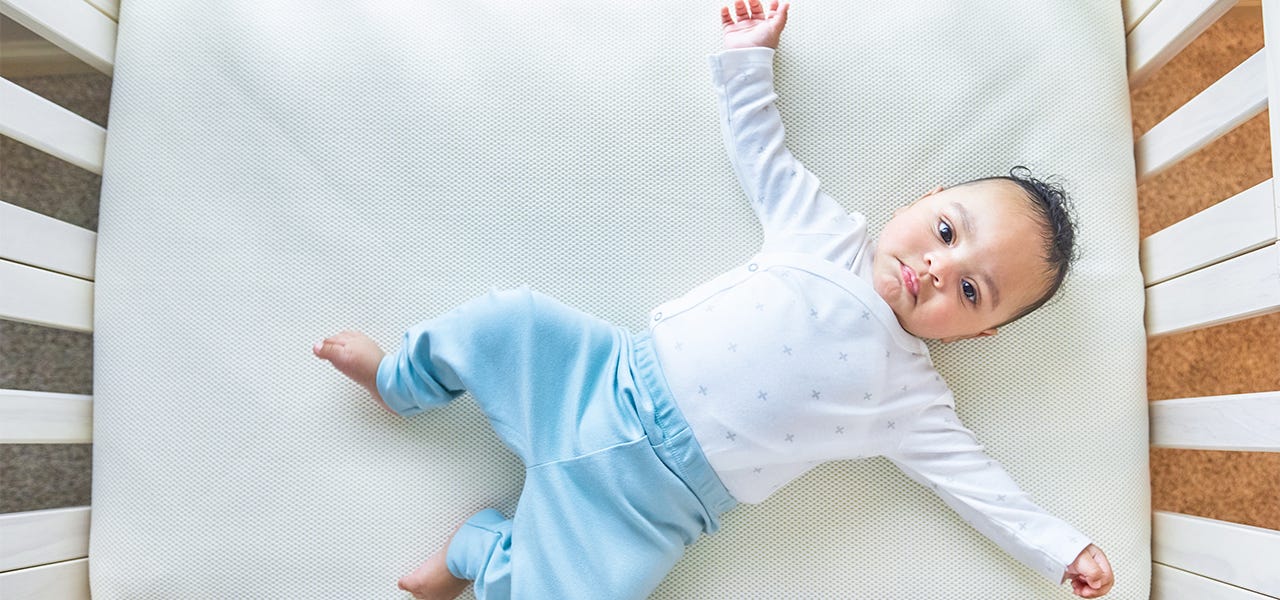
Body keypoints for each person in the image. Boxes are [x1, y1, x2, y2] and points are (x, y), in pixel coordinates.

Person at [314, 1, 1115, 598]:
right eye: (946, 231)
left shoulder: (912, 399)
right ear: (925, 199)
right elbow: (762, 152)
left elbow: (982, 487)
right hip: (602, 377)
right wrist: (747, 58)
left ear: (978, 334)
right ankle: (403, 383)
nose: (939, 269)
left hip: (649, 509)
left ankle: (478, 554)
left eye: (971, 289)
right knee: (508, 319)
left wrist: (1063, 550)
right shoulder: (821, 231)